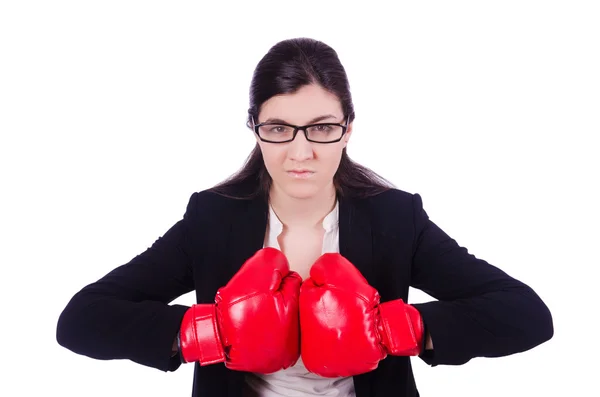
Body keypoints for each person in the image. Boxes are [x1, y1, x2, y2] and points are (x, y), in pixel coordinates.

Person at [56, 37, 554, 397]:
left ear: (347, 129)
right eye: (278, 127)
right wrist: (208, 334)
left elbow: (527, 314)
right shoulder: (211, 220)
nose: (301, 152)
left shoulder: (396, 219)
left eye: (320, 128)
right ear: (255, 129)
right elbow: (80, 320)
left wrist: (398, 328)